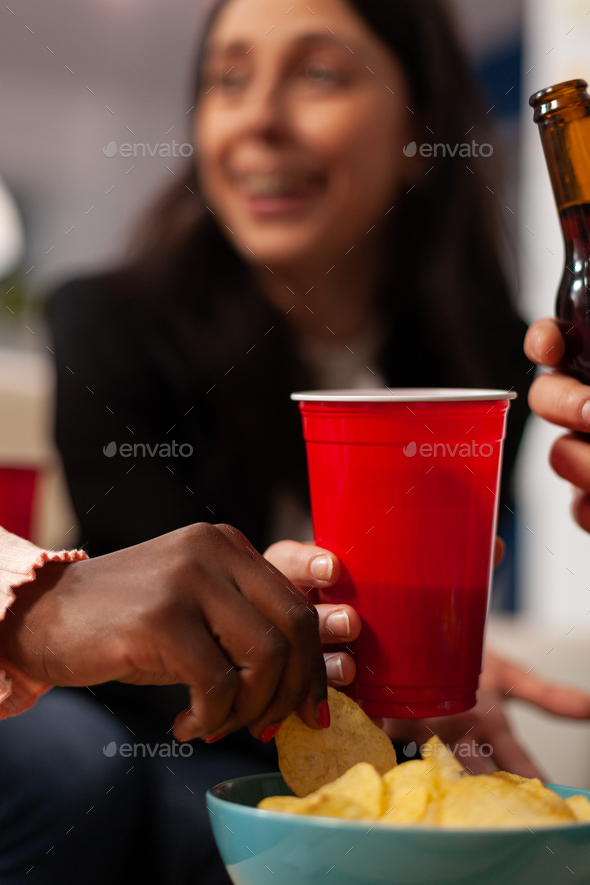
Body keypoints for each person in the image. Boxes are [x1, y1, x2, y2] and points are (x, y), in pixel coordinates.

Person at [35, 0, 590, 880]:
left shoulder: (494, 346)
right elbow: (142, 649)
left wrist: (434, 685)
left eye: (320, 73)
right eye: (228, 78)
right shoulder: (108, 325)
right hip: (179, 734)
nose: (257, 118)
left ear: (419, 135)